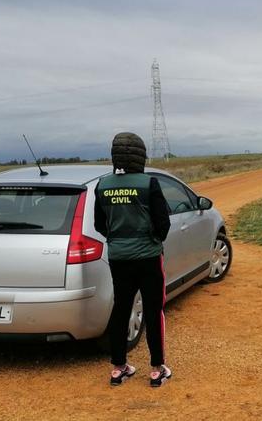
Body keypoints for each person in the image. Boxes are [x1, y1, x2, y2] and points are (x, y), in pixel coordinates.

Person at [93, 132, 173, 387]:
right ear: (140, 154)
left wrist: (119, 239)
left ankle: (119, 368)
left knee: (121, 309)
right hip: (149, 257)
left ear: (115, 155)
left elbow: (99, 224)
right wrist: (152, 239)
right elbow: (163, 223)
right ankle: (156, 369)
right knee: (153, 310)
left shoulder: (102, 185)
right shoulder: (149, 183)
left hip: (118, 258)